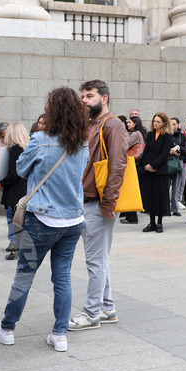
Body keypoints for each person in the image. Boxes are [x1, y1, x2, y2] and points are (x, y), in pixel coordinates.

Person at [0, 87, 89, 353]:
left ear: (51, 111)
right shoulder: (82, 142)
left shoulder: (41, 139)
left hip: (42, 219)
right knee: (63, 277)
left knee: (24, 276)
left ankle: (7, 329)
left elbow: (20, 168)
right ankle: (60, 334)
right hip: (73, 220)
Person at [69, 79, 127, 330]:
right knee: (99, 258)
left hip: (98, 202)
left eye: (89, 96)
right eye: (83, 96)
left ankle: (92, 312)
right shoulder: (92, 124)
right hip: (88, 200)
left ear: (104, 98)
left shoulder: (113, 125)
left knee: (95, 261)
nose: (84, 100)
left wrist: (109, 203)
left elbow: (117, 166)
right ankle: (107, 307)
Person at [0, 122, 30, 261]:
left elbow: (13, 173)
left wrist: (1, 183)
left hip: (15, 191)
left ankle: (17, 249)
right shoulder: (26, 148)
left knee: (15, 221)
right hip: (24, 189)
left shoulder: (15, 149)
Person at [138, 112, 175, 233]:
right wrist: (148, 166)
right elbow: (147, 151)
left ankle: (159, 223)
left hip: (161, 171)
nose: (155, 123)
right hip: (149, 170)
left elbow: (164, 154)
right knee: (151, 197)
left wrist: (154, 165)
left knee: (160, 197)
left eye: (158, 121)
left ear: (164, 123)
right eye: (154, 121)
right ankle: (151, 222)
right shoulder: (150, 135)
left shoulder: (167, 136)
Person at [120, 115, 145, 224]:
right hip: (137, 165)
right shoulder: (140, 133)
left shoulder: (135, 134)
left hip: (133, 165)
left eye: (129, 123)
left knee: (129, 189)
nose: (127, 124)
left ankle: (132, 217)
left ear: (135, 124)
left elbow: (124, 145)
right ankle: (128, 214)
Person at [168, 117, 186, 216]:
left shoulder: (182, 136)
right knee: (166, 186)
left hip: (178, 163)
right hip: (167, 162)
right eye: (170, 124)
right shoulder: (166, 135)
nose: (172, 126)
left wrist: (178, 150)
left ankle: (175, 208)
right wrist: (171, 151)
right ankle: (166, 207)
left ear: (178, 125)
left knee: (176, 186)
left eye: (174, 124)